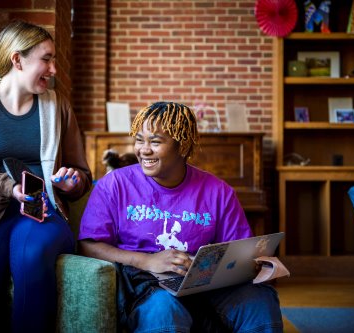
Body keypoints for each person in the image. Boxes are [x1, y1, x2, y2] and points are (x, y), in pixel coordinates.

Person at [78, 101, 283, 333]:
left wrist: (257, 263)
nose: (144, 150)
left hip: (205, 283)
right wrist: (146, 261)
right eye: (139, 139)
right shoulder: (114, 184)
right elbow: (88, 245)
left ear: (183, 147)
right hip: (144, 281)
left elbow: (240, 250)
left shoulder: (218, 191)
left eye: (155, 142)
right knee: (165, 312)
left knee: (261, 303)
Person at [0, 21, 92, 333]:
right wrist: (10, 189)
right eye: (46, 59)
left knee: (31, 254)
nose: (54, 69)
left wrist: (73, 183)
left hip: (43, 212)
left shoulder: (59, 107)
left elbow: (82, 174)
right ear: (18, 60)